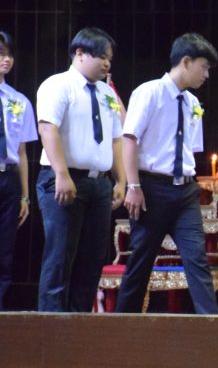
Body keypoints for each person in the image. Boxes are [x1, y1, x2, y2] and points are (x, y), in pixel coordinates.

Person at [116, 33, 218, 314]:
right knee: (141, 262)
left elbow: (191, 150)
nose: (206, 75)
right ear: (185, 61)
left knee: (197, 259)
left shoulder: (193, 103)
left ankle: (214, 327)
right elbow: (129, 139)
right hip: (151, 188)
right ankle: (122, 326)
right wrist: (133, 186)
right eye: (204, 67)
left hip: (185, 190)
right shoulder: (149, 92)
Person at [36, 27, 126, 312]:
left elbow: (116, 139)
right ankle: (50, 326)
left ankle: (78, 325)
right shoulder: (58, 84)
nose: (107, 63)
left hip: (99, 184)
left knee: (92, 259)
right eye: (101, 57)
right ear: (80, 53)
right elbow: (47, 128)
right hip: (64, 178)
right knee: (60, 256)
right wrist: (61, 175)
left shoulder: (106, 93)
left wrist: (121, 181)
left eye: (110, 58)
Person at [0, 32, 38, 309]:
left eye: (9, 54)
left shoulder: (19, 101)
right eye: (1, 54)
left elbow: (22, 152)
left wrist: (25, 195)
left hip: (9, 178)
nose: (6, 59)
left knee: (4, 250)